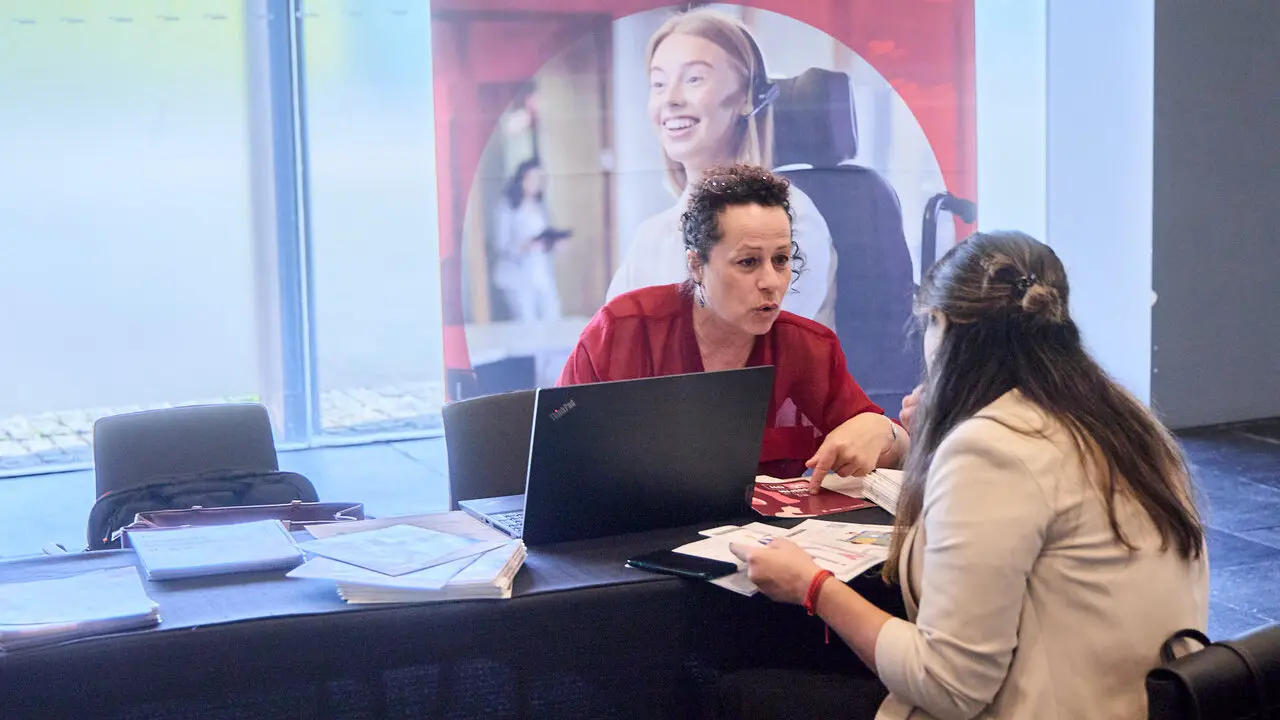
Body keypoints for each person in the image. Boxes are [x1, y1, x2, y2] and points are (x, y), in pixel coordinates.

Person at [728, 231, 1209, 719]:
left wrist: (812, 586)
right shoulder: (1124, 419)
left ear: (943, 324)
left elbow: (950, 687)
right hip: (1132, 701)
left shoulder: (991, 449)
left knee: (734, 695)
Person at [560, 164, 904, 481]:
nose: (771, 281)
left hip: (762, 541)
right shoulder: (621, 331)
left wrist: (882, 431)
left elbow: (896, 449)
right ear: (696, 266)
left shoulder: (810, 348)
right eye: (748, 262)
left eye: (781, 260)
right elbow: (558, 454)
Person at [606, 9, 838, 330]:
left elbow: (745, 353)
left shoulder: (791, 219)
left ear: (745, 97)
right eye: (658, 83)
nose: (670, 99)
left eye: (694, 79)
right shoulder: (651, 238)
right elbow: (608, 352)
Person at [491, 158, 563, 323]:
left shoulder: (539, 206)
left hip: (540, 271)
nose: (535, 184)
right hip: (517, 274)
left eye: (539, 179)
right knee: (527, 323)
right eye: (531, 179)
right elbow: (501, 244)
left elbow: (544, 235)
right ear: (521, 180)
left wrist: (552, 243)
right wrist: (524, 245)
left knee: (552, 317)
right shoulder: (507, 207)